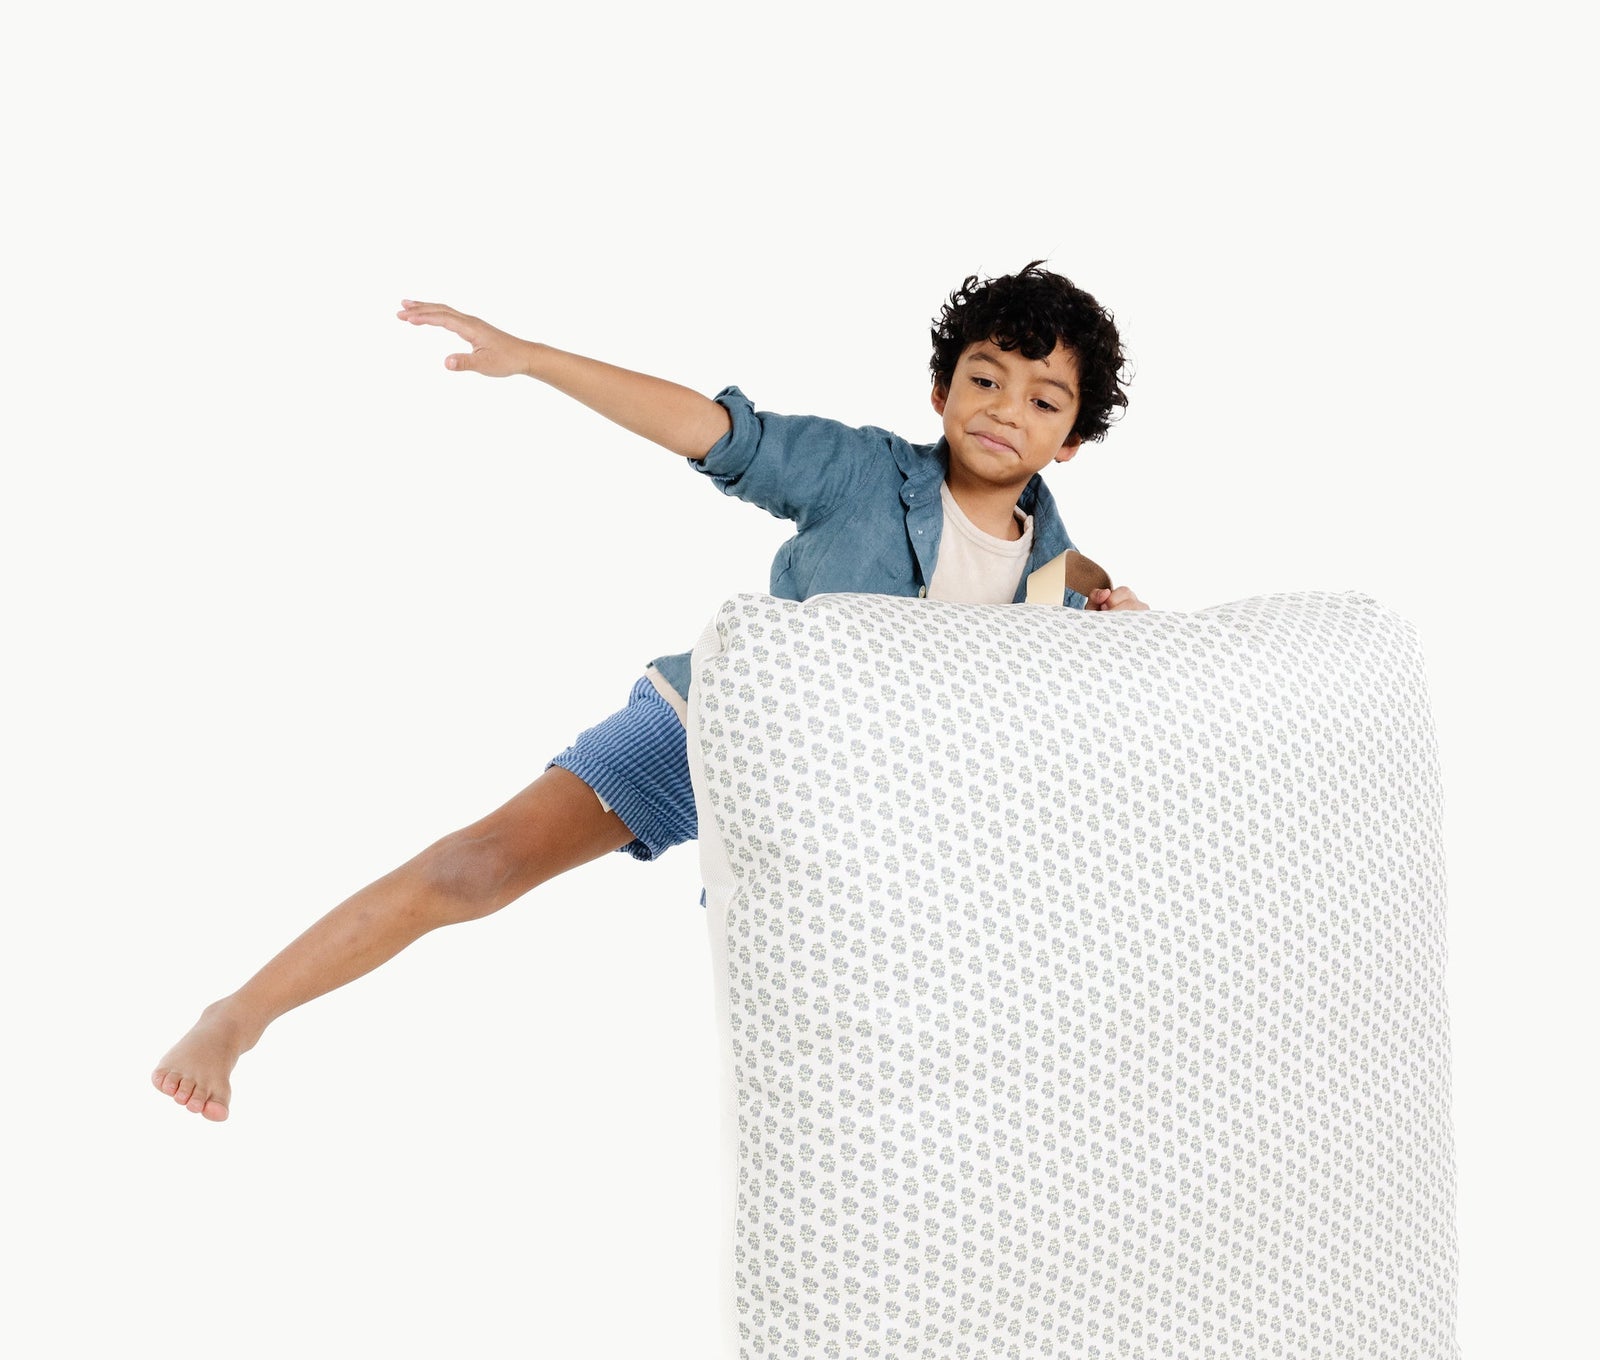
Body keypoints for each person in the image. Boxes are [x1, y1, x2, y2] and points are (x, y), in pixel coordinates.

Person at [151, 261, 1150, 1122]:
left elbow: (1077, 600)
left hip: (827, 812)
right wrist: (535, 357)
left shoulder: (1052, 573)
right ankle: (237, 1013)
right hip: (711, 730)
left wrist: (1112, 612)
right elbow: (713, 429)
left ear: (1068, 442)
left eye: (1041, 400)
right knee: (478, 868)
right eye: (984, 378)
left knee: (834, 1022)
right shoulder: (856, 472)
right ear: (940, 390)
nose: (1003, 409)